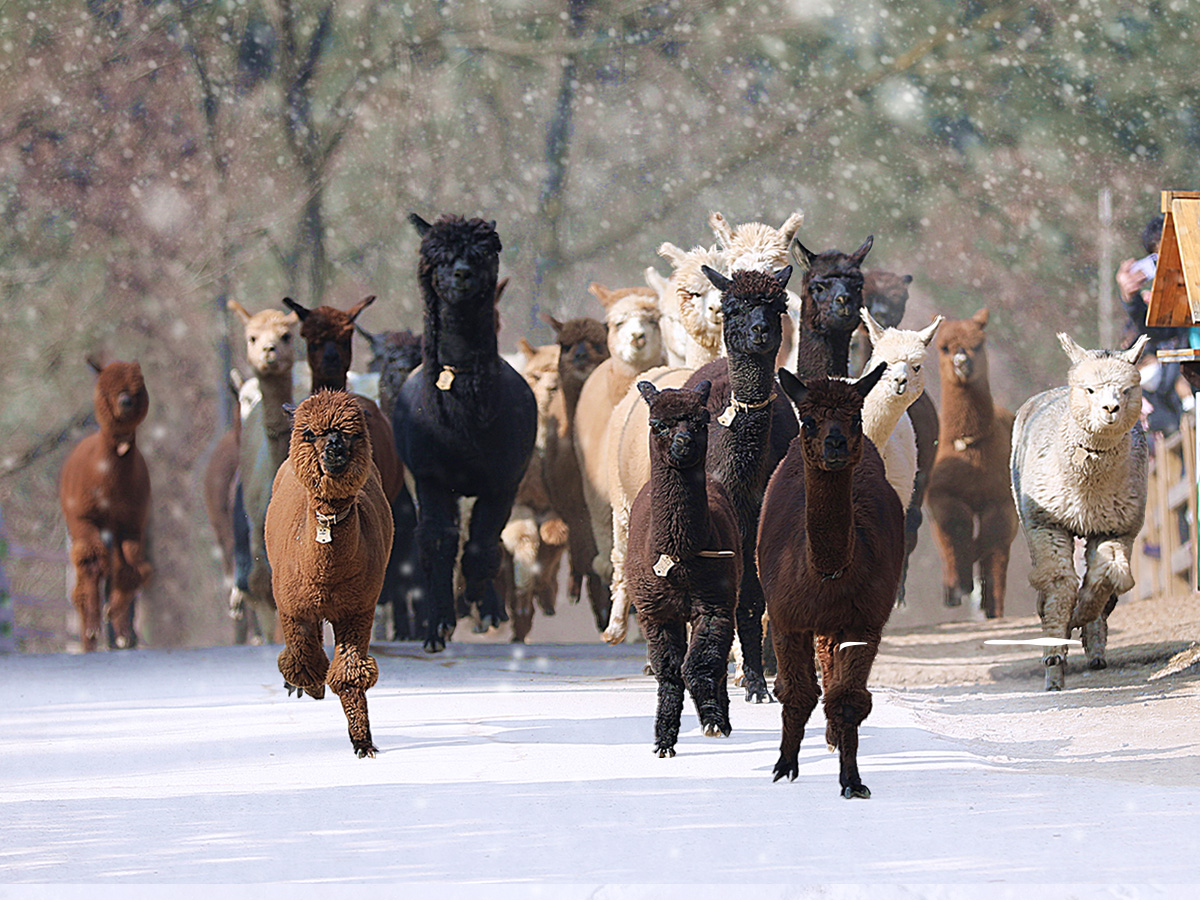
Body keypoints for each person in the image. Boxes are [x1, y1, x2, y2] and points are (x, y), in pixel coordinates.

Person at [1117, 212, 1186, 435]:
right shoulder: (1166, 304)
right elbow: (1156, 333)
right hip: (1176, 421)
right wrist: (1132, 300)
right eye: (1160, 261)